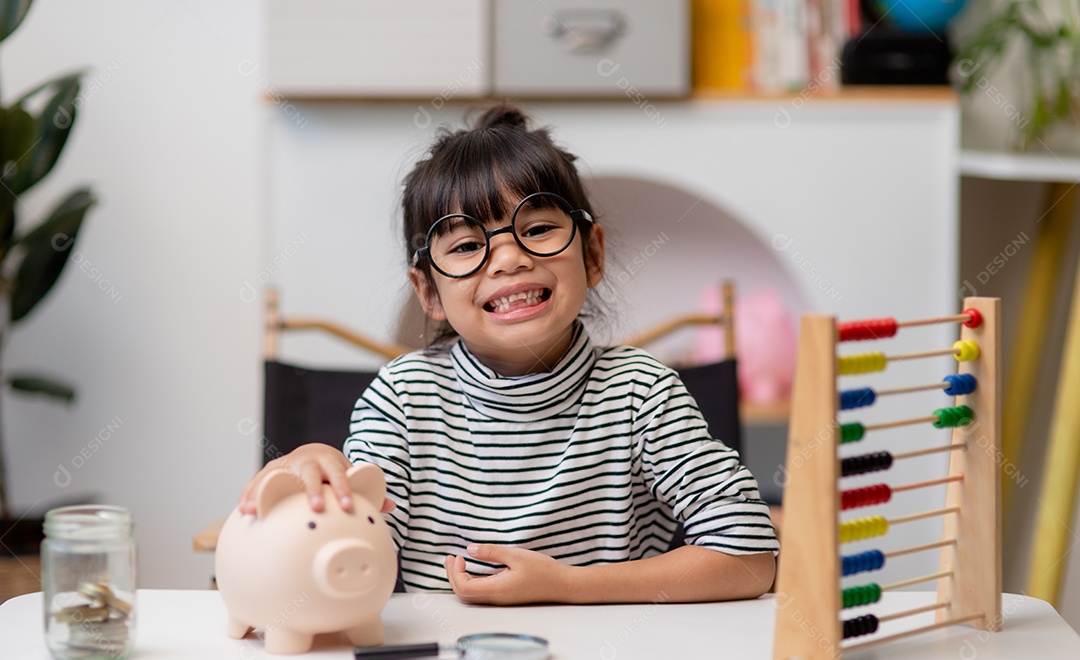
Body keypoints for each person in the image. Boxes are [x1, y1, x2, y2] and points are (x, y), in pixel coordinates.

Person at [240, 103, 778, 605]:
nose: (508, 259)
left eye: (538, 229)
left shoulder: (642, 391)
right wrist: (316, 470)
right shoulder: (403, 397)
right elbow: (349, 541)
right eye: (467, 246)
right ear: (428, 292)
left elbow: (751, 557)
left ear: (592, 255)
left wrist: (567, 586)